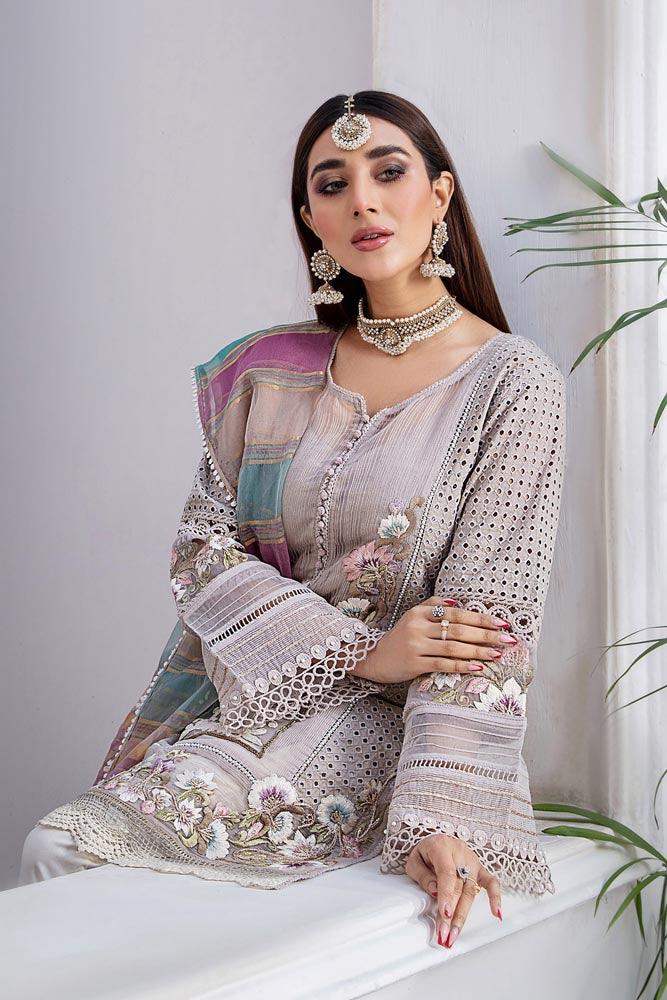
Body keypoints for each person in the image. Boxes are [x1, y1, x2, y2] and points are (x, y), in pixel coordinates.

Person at [19, 90, 566, 952]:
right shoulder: (270, 374)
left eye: (389, 172)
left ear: (440, 195)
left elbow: (486, 624)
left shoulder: (510, 381)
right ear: (312, 221)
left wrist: (442, 815)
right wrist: (356, 650)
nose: (363, 202)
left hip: (392, 729)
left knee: (93, 874)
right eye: (332, 184)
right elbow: (203, 550)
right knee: (57, 850)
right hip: (257, 696)